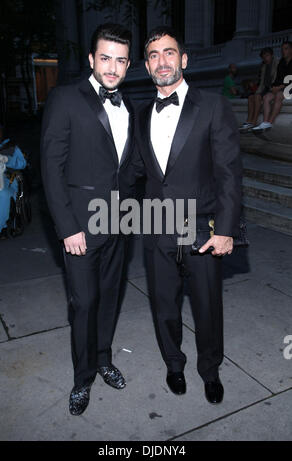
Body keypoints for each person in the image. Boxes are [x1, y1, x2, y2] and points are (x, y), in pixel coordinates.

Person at [132, 27, 242, 404]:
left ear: (183, 59)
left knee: (208, 306)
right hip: (157, 226)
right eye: (153, 55)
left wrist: (226, 229)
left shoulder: (212, 106)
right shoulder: (141, 113)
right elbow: (133, 172)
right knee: (164, 304)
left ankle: (209, 370)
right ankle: (173, 364)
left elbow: (229, 172)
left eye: (169, 53)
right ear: (147, 65)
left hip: (202, 229)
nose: (162, 61)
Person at [41, 23, 134, 416]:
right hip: (81, 227)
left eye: (121, 60)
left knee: (109, 300)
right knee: (84, 304)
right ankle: (83, 380)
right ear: (93, 59)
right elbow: (51, 167)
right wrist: (67, 228)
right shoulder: (65, 98)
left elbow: (124, 168)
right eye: (106, 58)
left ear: (128, 65)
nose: (113, 67)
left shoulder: (127, 104)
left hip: (120, 224)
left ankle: (103, 358)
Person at [0, 122, 26, 238]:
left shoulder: (11, 147)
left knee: (3, 194)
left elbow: (23, 164)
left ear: (2, 134)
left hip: (7, 180)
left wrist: (7, 160)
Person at [253, 41, 292, 132]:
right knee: (267, 97)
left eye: (286, 49)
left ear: (291, 50)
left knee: (278, 95)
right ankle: (265, 122)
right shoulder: (282, 62)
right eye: (282, 49)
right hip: (282, 87)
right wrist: (274, 87)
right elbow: (278, 77)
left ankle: (270, 122)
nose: (283, 51)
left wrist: (279, 87)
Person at [240, 47, 279, 132]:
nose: (265, 58)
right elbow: (261, 83)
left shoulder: (277, 63)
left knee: (257, 97)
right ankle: (249, 121)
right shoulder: (264, 66)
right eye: (263, 57)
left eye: (267, 56)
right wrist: (257, 92)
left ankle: (254, 122)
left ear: (271, 55)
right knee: (251, 97)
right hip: (265, 88)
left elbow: (277, 79)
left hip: (273, 88)